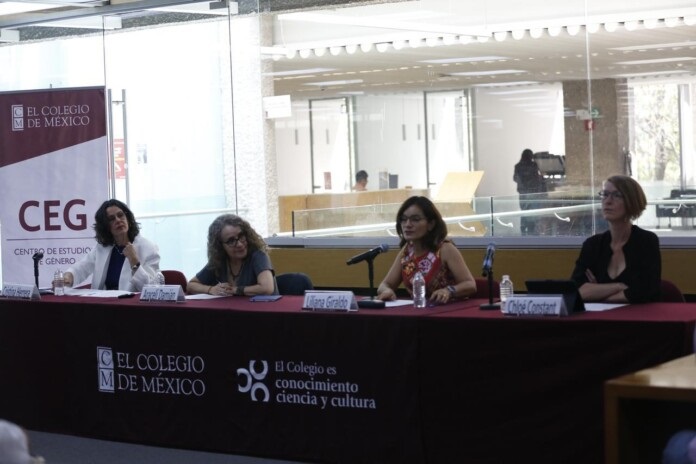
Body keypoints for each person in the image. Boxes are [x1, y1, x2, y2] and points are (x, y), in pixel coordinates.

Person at [570, 175, 661, 303]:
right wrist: (619, 286)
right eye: (605, 194)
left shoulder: (646, 241)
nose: (608, 201)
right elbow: (576, 291)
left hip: (638, 314)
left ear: (631, 201)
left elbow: (645, 291)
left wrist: (598, 292)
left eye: (617, 195)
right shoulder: (592, 245)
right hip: (598, 315)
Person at [376, 196, 476, 304]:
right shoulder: (406, 253)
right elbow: (385, 284)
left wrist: (448, 291)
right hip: (418, 310)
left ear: (431, 224)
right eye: (403, 219)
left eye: (415, 219)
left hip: (449, 310)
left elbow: (470, 284)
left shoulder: (445, 249)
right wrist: (387, 291)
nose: (407, 224)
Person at [63, 199, 160, 291]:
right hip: (104, 301)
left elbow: (151, 288)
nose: (118, 220)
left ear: (128, 219)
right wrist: (69, 276)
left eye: (120, 215)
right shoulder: (102, 247)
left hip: (131, 302)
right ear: (105, 227)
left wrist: (134, 261)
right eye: (111, 219)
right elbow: (83, 267)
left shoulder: (148, 248)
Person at [187, 214, 277, 296]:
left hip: (264, 308)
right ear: (220, 246)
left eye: (241, 236)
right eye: (231, 241)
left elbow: (266, 288)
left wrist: (234, 290)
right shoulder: (219, 261)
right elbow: (191, 285)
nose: (240, 244)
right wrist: (210, 289)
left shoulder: (258, 256)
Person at [513, 148, 546, 235]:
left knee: (524, 210)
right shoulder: (533, 165)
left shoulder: (518, 166)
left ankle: (523, 227)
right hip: (533, 191)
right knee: (533, 211)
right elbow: (537, 178)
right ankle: (532, 228)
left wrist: (523, 183)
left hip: (523, 192)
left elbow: (515, 178)